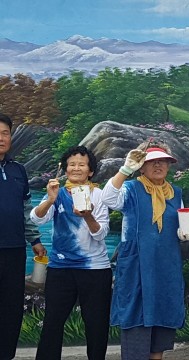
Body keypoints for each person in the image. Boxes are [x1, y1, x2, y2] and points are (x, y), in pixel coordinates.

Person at [101, 143, 187, 360]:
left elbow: (181, 224)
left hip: (166, 265)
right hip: (138, 265)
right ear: (141, 167)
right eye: (151, 161)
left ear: (169, 165)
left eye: (162, 161)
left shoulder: (175, 193)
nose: (158, 165)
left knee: (161, 327)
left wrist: (185, 232)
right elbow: (108, 198)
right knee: (137, 321)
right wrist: (124, 169)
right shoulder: (131, 188)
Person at [31, 146, 112, 360]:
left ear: (90, 171)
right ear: (66, 169)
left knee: (96, 325)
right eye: (72, 164)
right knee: (52, 323)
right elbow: (37, 218)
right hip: (61, 269)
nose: (76, 168)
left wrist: (87, 216)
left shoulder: (99, 194)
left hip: (95, 269)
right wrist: (49, 199)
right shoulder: (57, 192)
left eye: (82, 164)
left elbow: (101, 233)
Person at [0, 112, 46, 360]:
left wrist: (36, 241)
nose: (1, 138)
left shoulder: (18, 171)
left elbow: (26, 211)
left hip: (15, 250)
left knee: (10, 311)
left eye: (5, 133)